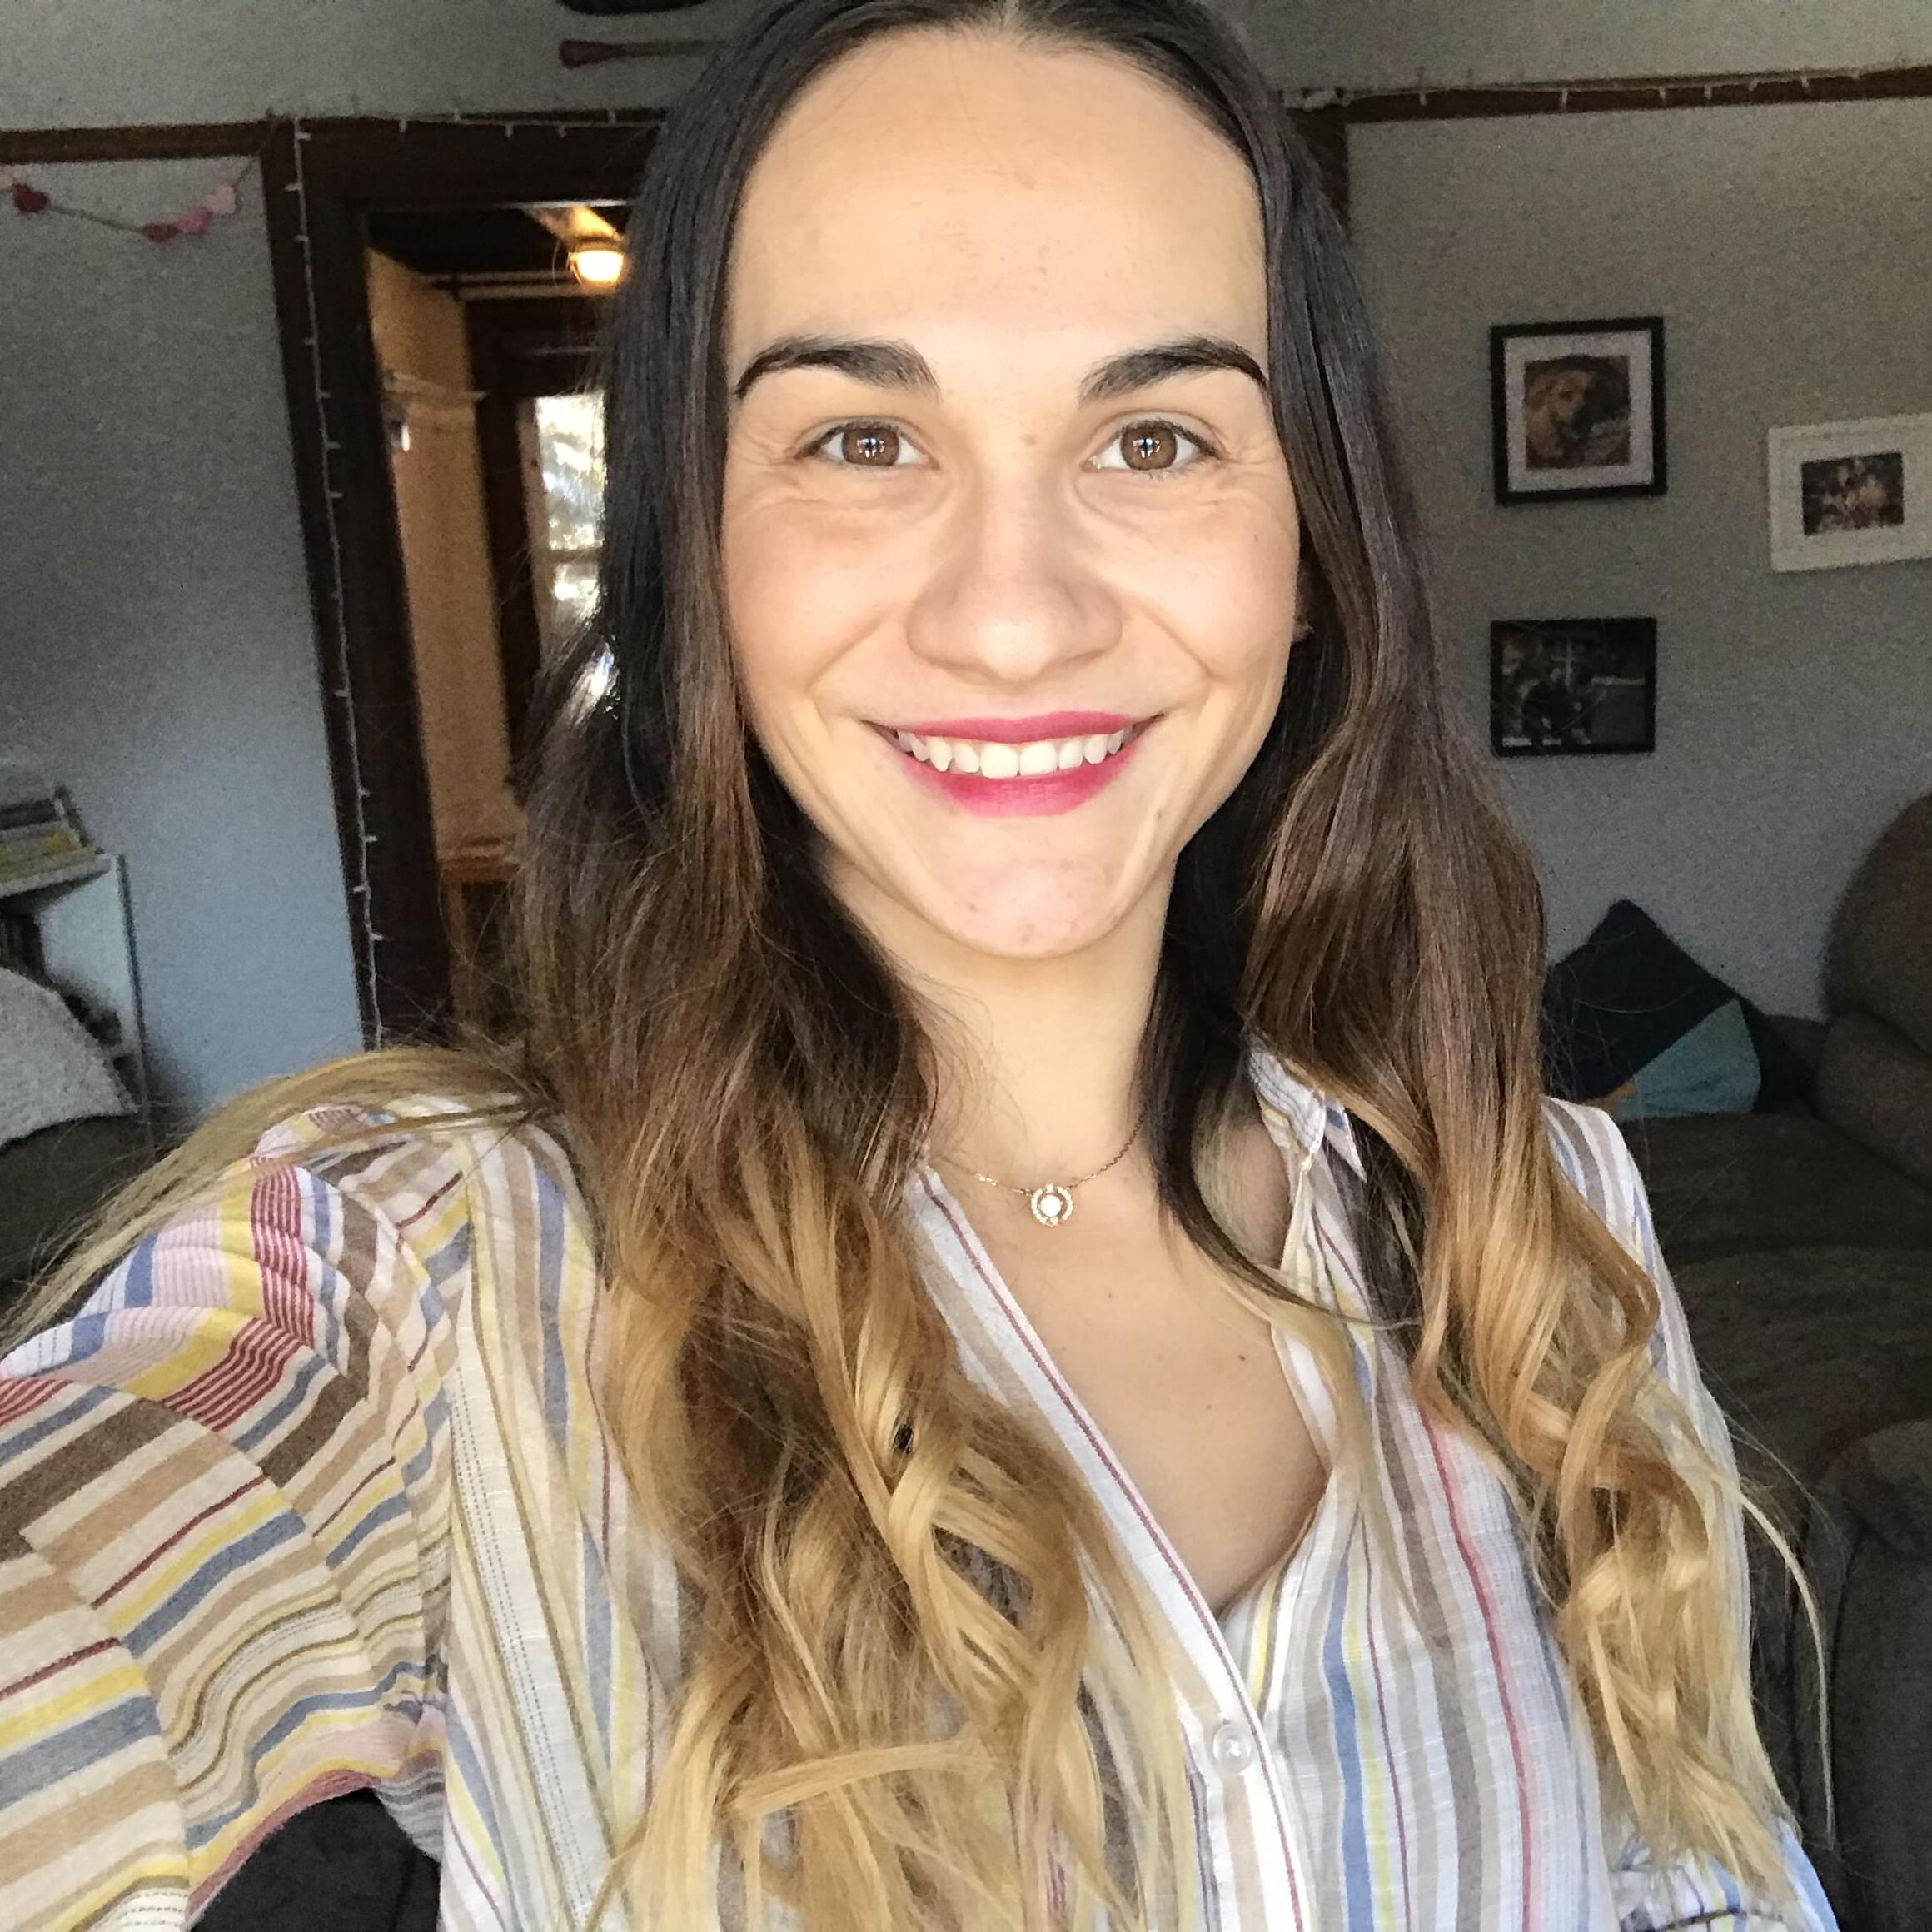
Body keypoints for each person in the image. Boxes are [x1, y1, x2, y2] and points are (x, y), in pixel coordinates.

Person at [0, 2, 1840, 1928]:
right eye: (861, 438)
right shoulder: (422, 1272)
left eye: (1153, 436)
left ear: (1308, 550)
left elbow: (1704, 1872)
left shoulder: (1541, 1215)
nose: (1013, 616)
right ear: (696, 559)